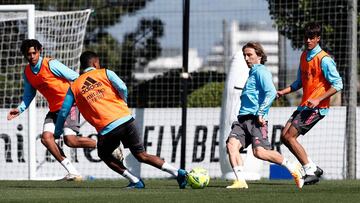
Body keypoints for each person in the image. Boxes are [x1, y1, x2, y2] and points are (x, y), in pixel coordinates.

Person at [54, 51, 188, 189]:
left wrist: (58, 131)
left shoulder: (74, 86)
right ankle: (178, 173)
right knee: (142, 155)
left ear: (82, 66)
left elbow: (64, 111)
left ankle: (135, 180)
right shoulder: (105, 72)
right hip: (126, 120)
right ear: (95, 63)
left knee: (104, 154)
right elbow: (123, 87)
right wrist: (123, 102)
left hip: (107, 129)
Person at [7, 39, 106, 181]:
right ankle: (73, 172)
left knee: (70, 141)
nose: (32, 56)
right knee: (46, 139)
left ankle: (107, 144)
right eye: (29, 54)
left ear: (39, 51)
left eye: (34, 53)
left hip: (70, 105)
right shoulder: (28, 72)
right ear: (24, 55)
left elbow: (76, 78)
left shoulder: (51, 64)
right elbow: (29, 94)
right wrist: (20, 109)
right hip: (54, 110)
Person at [226, 42, 304, 189]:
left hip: (256, 120)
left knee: (260, 153)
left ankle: (293, 167)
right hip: (242, 120)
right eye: (244, 55)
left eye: (249, 55)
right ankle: (240, 181)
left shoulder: (261, 71)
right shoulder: (253, 73)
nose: (246, 58)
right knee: (231, 145)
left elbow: (271, 92)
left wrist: (261, 113)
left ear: (260, 56)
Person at [277, 22, 343, 185]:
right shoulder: (303, 56)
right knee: (284, 137)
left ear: (318, 38)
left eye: (311, 38)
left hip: (317, 108)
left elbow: (338, 84)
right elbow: (299, 82)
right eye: (306, 37)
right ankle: (312, 167)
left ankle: (310, 171)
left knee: (290, 136)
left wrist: (319, 99)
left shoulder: (324, 59)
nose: (308, 41)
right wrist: (283, 92)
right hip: (304, 105)